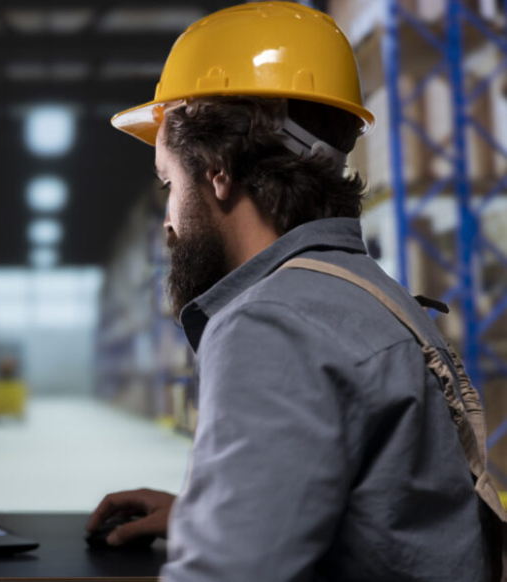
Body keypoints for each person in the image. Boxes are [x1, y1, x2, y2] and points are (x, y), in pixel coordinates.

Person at [88, 3, 504, 580]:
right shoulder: (369, 297)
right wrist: (214, 514)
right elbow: (382, 520)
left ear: (216, 170)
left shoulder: (272, 324)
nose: (167, 220)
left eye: (168, 183)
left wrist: (218, 543)